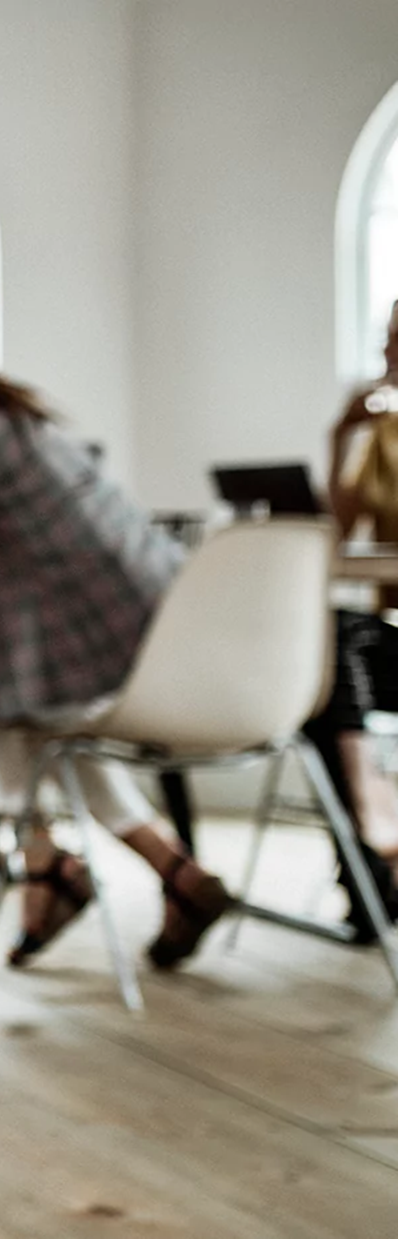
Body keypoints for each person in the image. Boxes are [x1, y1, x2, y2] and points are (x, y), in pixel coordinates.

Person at [0, 321, 234, 970]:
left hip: (96, 644)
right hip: (140, 635)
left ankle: (48, 867)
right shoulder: (12, 423)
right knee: (28, 718)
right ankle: (171, 873)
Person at [309, 297, 398, 937]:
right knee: (321, 651)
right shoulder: (384, 437)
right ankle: (370, 862)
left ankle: (369, 865)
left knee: (331, 649)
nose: (389, 355)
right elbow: (338, 531)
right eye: (388, 339)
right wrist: (342, 436)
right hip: (386, 639)